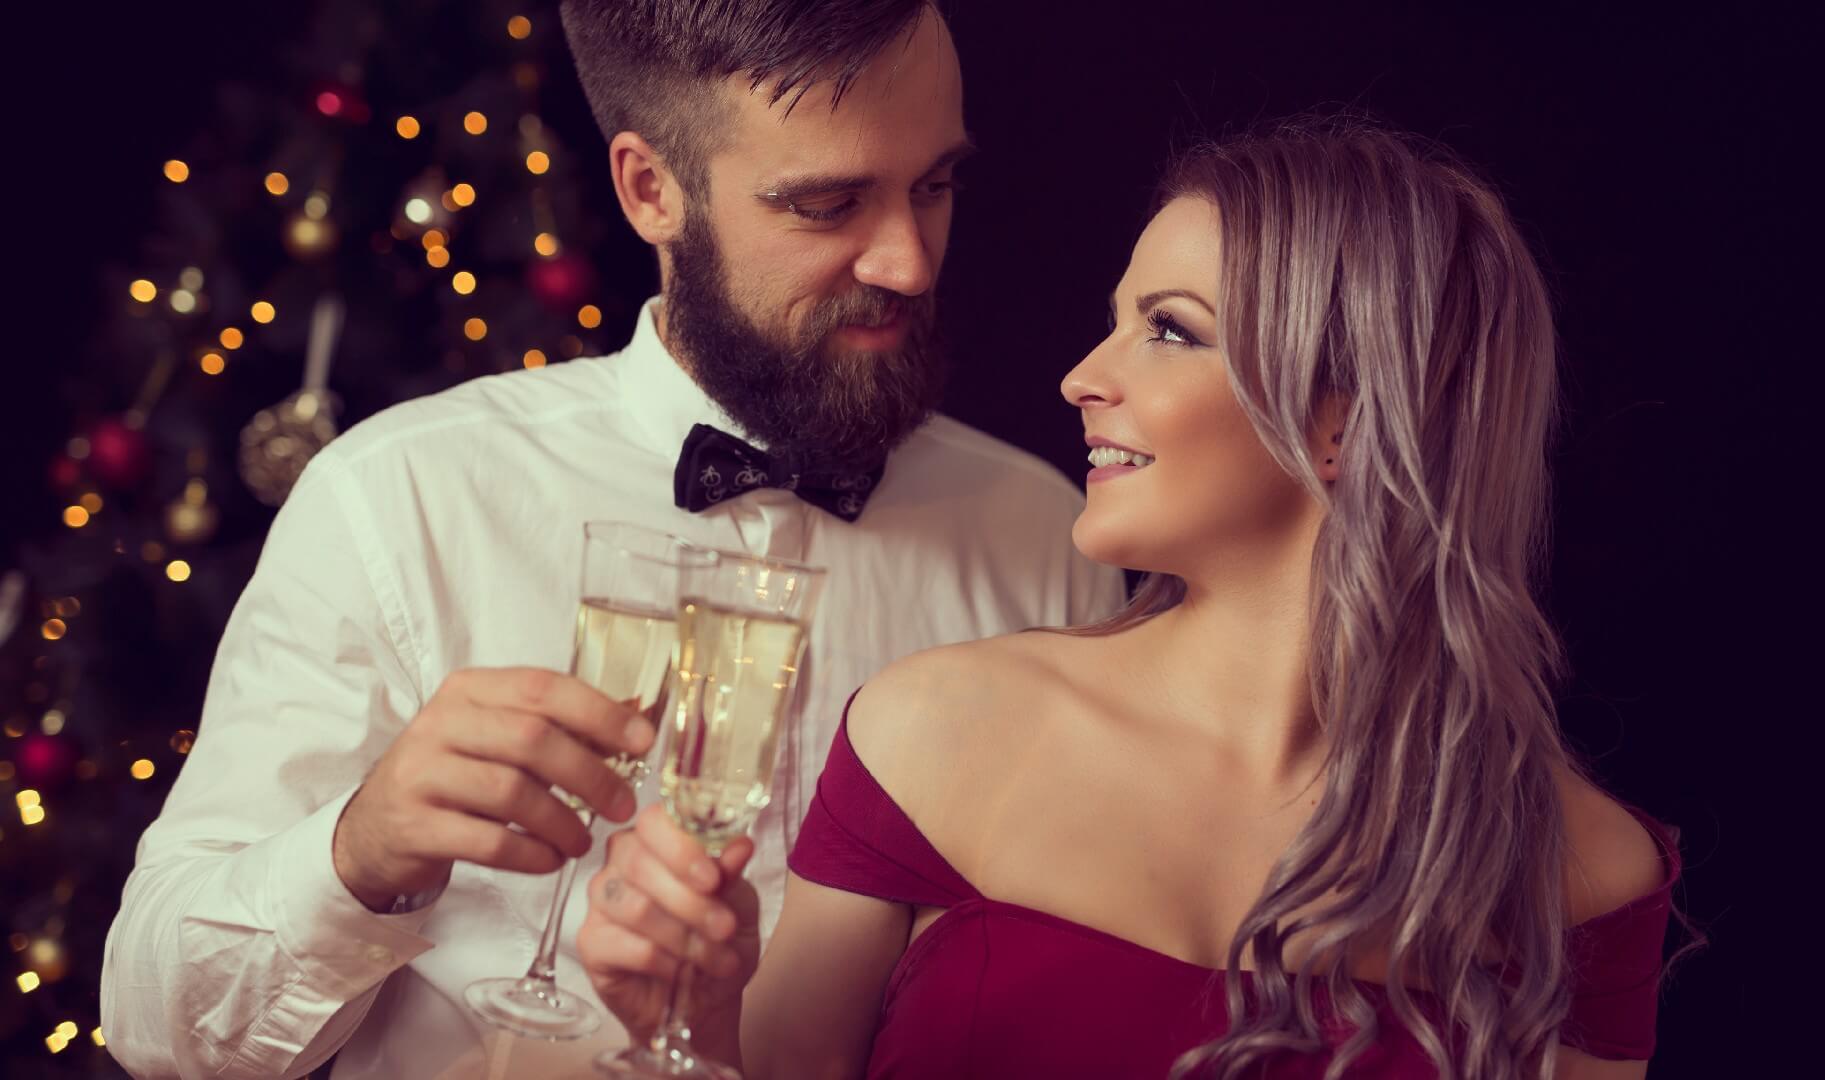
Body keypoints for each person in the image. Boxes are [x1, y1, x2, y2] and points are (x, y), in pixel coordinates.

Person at [99, 3, 1123, 1077]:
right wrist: (358, 854)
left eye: (935, 185)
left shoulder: (1043, 533)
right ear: (650, 189)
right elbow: (158, 1026)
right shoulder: (399, 497)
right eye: (827, 204)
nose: (910, 263)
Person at [578, 119, 1686, 1080]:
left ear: (1345, 419)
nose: (1082, 376)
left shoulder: (1583, 874)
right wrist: (691, 1011)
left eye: (1169, 329)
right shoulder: (935, 729)